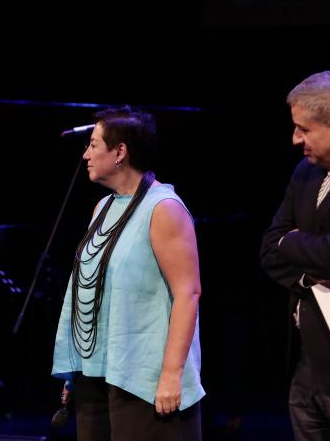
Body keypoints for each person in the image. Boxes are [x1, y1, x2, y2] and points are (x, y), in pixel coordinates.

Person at [52, 106, 204, 440]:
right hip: (97, 374)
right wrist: (77, 366)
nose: (85, 154)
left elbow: (188, 293)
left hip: (143, 378)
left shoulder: (163, 208)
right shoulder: (103, 207)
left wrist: (171, 373)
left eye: (93, 145)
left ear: (120, 151)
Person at [260, 71, 330, 440]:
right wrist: (312, 274)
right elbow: (269, 249)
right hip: (309, 361)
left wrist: (292, 243)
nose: (295, 139)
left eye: (304, 129)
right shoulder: (306, 172)